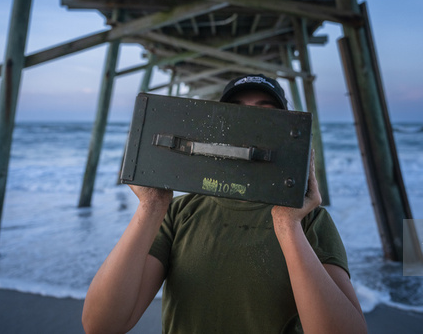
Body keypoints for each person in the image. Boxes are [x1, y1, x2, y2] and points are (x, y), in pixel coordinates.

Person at [82, 74, 367, 334]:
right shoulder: (180, 213)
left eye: (265, 111)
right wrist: (152, 206)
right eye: (238, 112)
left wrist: (287, 224)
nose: (249, 122)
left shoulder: (310, 221)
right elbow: (101, 325)